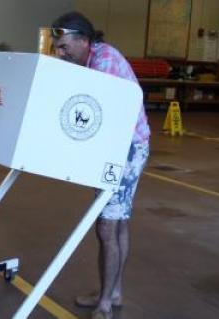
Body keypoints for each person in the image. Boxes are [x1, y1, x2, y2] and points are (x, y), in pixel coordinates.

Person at [50, 12, 151, 319]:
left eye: (64, 46)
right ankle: (113, 291)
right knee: (117, 221)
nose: (60, 52)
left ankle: (105, 303)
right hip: (114, 146)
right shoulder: (89, 60)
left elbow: (96, 113)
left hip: (127, 149)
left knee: (106, 225)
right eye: (57, 46)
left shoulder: (104, 60)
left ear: (84, 40)